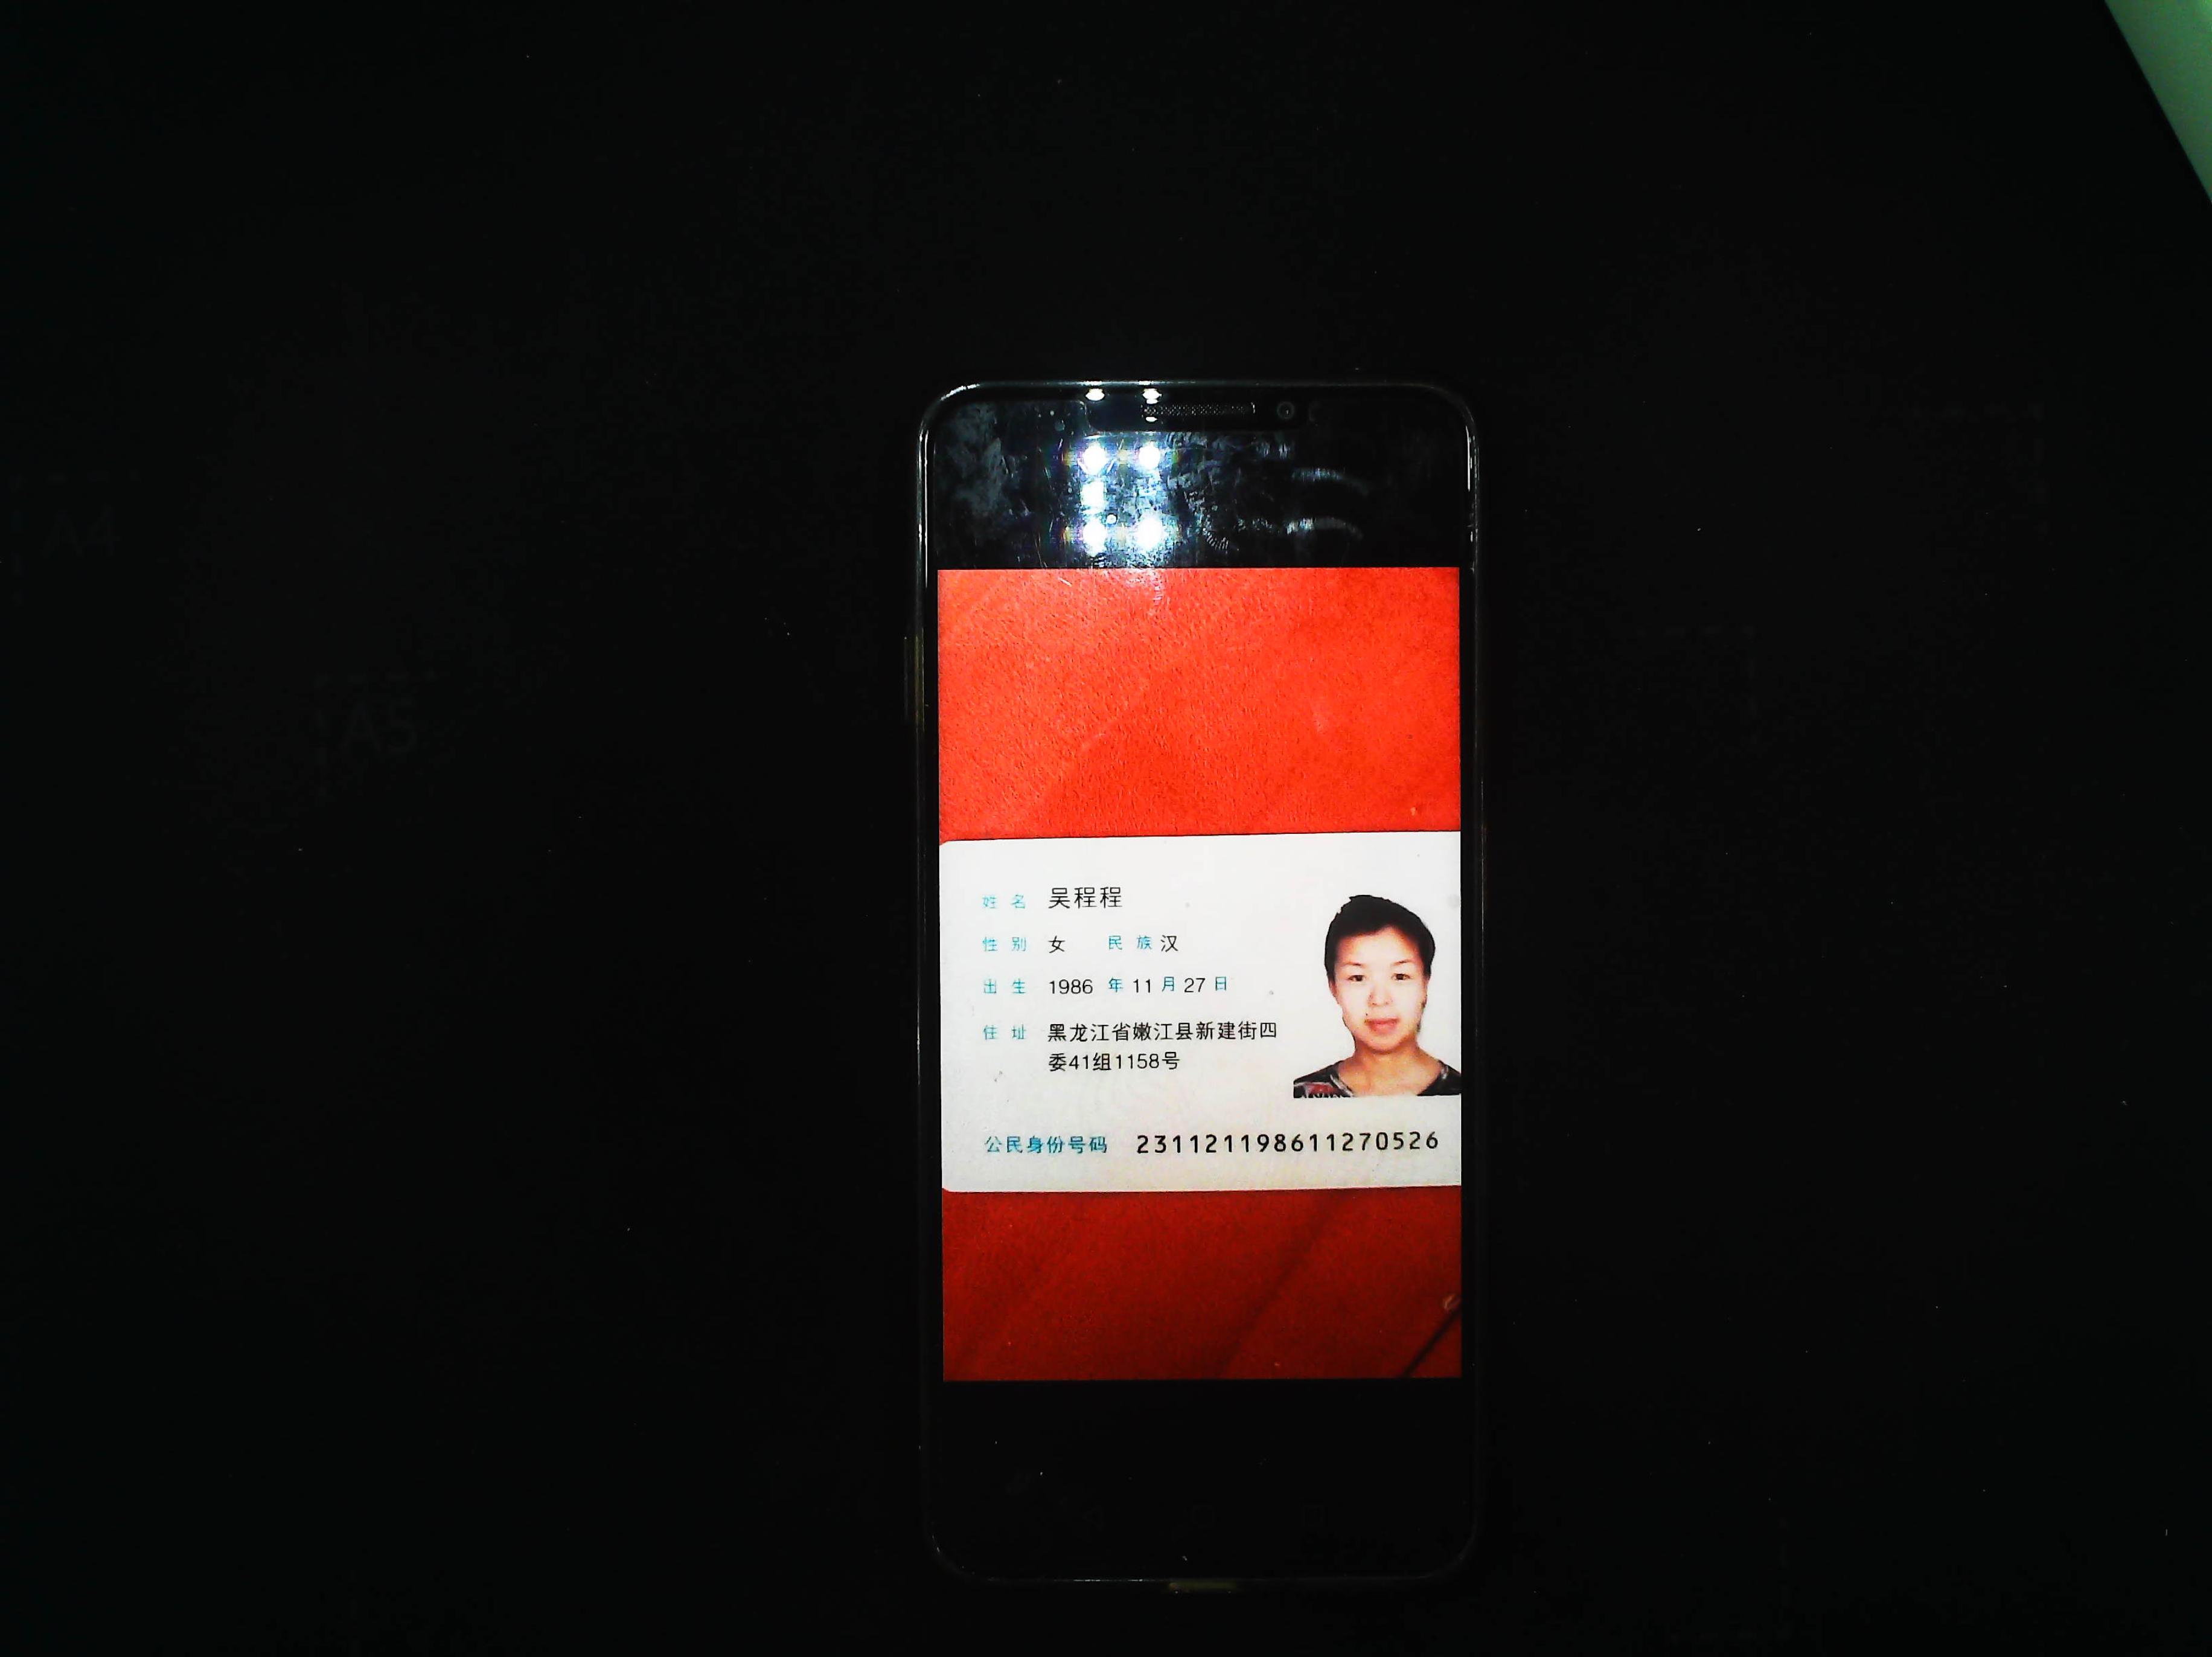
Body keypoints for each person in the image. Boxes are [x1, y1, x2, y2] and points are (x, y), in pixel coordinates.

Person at [1291, 894, 1462, 1097]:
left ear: (1426, 983)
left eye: (1400, 976)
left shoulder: (1467, 1094)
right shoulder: (1302, 1095)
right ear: (1333, 987)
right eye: (1358, 978)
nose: (1379, 1000)